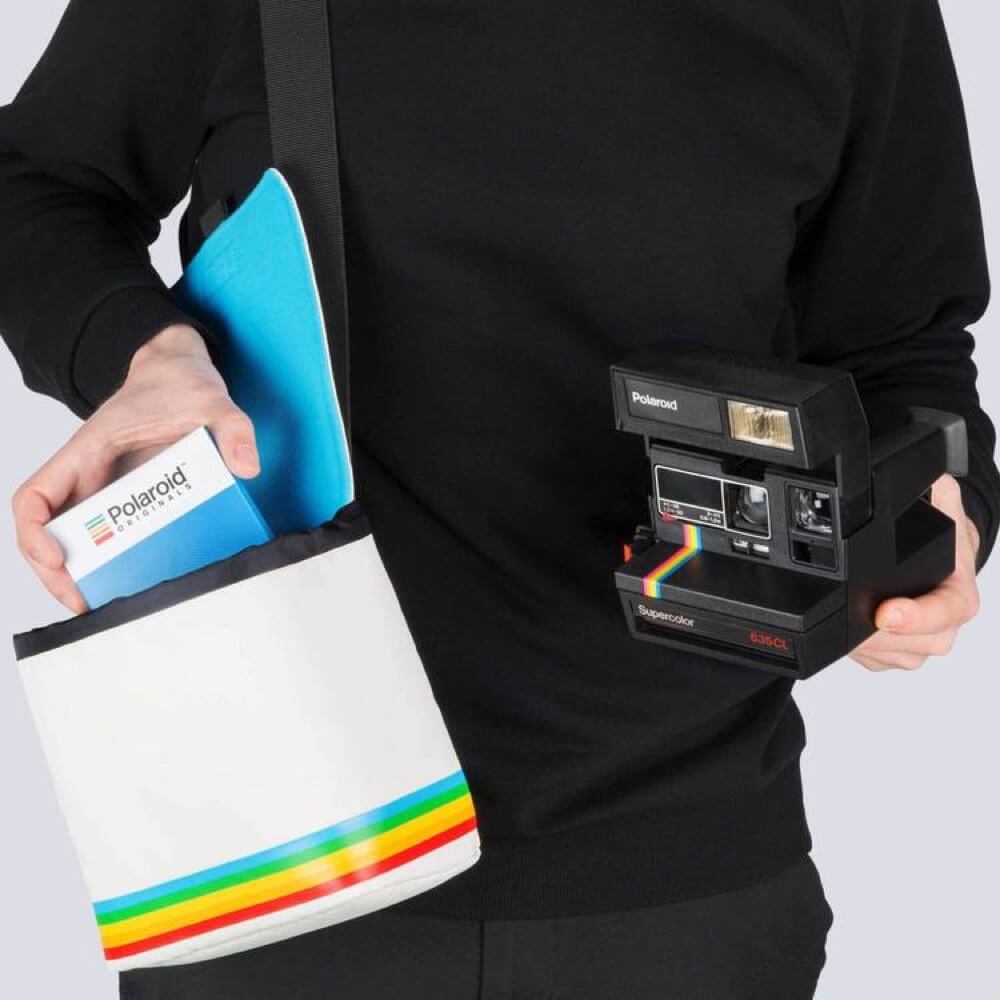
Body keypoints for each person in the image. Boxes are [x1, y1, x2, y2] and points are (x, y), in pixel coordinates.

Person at [1, 1, 996, 997]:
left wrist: (931, 528)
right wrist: (143, 352)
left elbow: (904, 351)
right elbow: (33, 185)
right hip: (278, 853)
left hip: (689, 877)